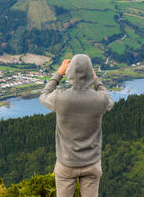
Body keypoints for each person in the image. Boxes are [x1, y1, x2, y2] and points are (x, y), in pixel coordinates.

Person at [39, 54, 114, 197]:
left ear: (70, 73)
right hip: (92, 163)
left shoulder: (60, 98)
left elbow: (43, 95)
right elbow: (107, 98)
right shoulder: (100, 99)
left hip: (66, 164)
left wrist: (59, 73)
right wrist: (96, 79)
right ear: (90, 73)